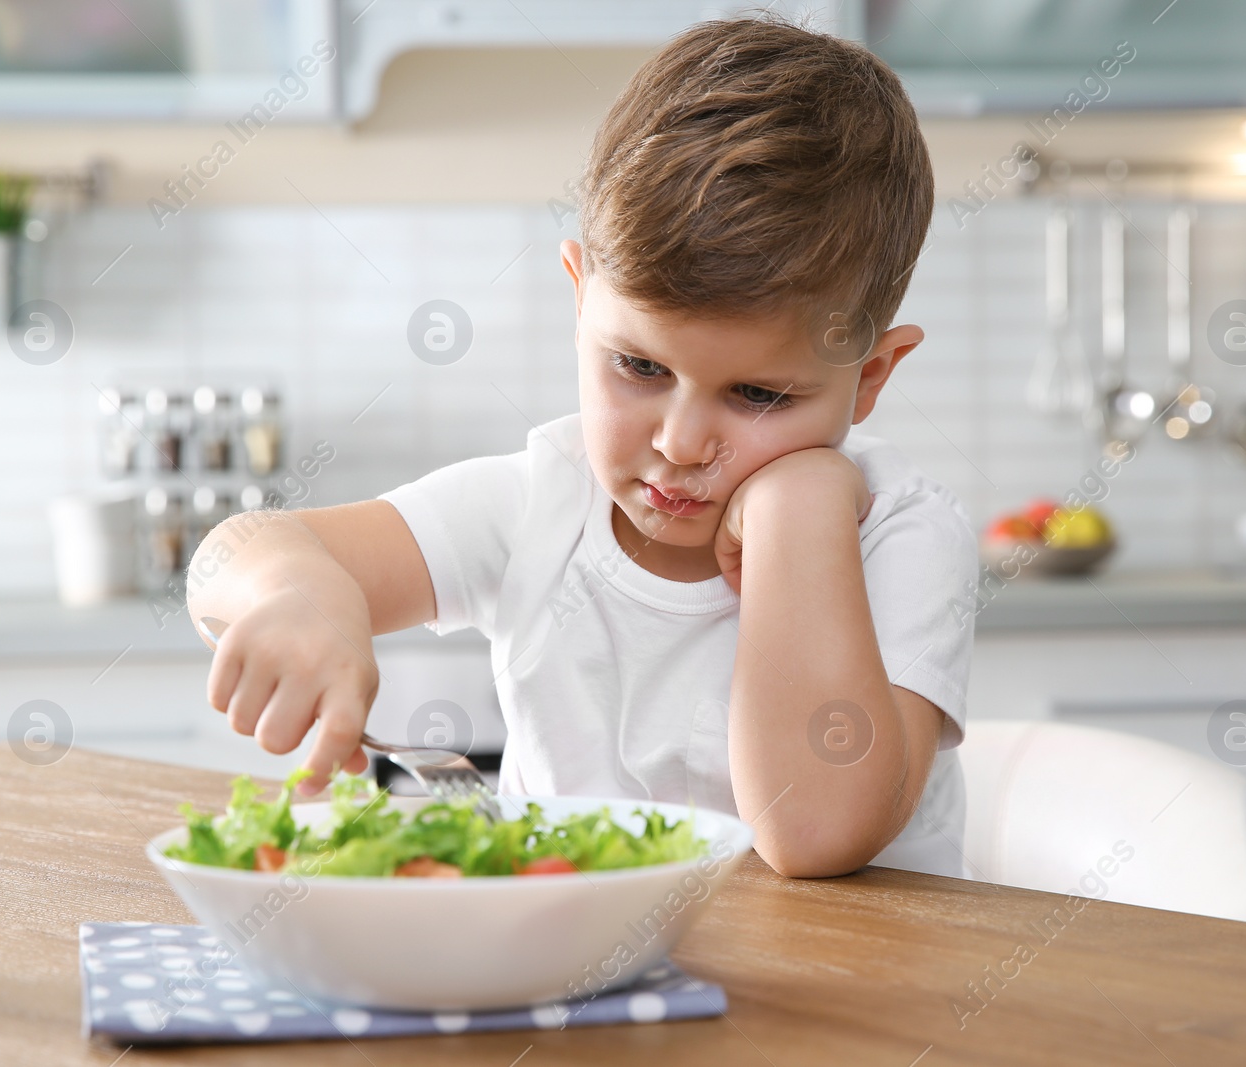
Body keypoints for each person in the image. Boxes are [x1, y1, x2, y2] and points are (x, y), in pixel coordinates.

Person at [186, 14, 976, 879]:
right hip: (588, 992)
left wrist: (800, 513)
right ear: (579, 298)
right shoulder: (540, 505)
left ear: (870, 377)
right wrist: (302, 594)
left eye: (759, 394)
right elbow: (231, 555)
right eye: (638, 364)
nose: (680, 442)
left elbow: (816, 833)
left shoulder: (900, 536)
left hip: (863, 1006)